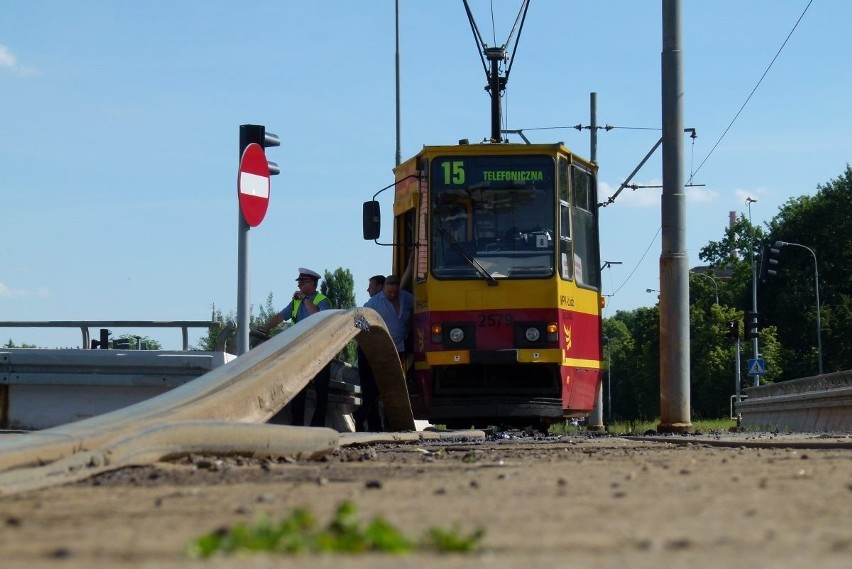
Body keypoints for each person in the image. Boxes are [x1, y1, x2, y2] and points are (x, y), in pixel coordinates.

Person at [258, 267, 332, 427]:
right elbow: (281, 316)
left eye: (302, 282)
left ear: (312, 283)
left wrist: (305, 298)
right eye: (298, 282)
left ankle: (317, 427)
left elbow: (317, 315)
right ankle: (297, 425)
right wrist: (265, 327)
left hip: (321, 351)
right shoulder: (296, 302)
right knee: (298, 389)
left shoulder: (322, 300)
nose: (298, 285)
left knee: (321, 391)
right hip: (302, 351)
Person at [363, 274, 415, 420]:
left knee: (400, 385)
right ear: (383, 288)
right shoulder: (374, 303)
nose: (392, 295)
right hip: (384, 350)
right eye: (389, 292)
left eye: (395, 292)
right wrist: (372, 339)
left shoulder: (406, 298)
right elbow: (360, 321)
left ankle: (396, 418)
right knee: (387, 385)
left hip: (403, 349)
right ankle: (385, 419)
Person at [354, 274, 387, 431]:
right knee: (375, 388)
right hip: (380, 349)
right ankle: (374, 423)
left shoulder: (372, 303)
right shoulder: (393, 300)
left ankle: (363, 417)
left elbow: (359, 323)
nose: (368, 289)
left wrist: (370, 337)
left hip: (371, 349)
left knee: (371, 388)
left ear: (380, 287)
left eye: (371, 286)